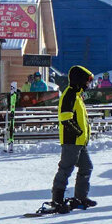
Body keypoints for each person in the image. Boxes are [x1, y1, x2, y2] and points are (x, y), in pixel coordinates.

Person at [42, 65, 96, 214]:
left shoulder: (77, 96)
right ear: (79, 80)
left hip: (80, 142)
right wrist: (78, 132)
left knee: (86, 167)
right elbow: (65, 118)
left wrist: (82, 136)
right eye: (87, 81)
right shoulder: (70, 94)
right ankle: (57, 199)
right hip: (71, 141)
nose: (88, 85)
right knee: (66, 169)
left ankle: (80, 197)